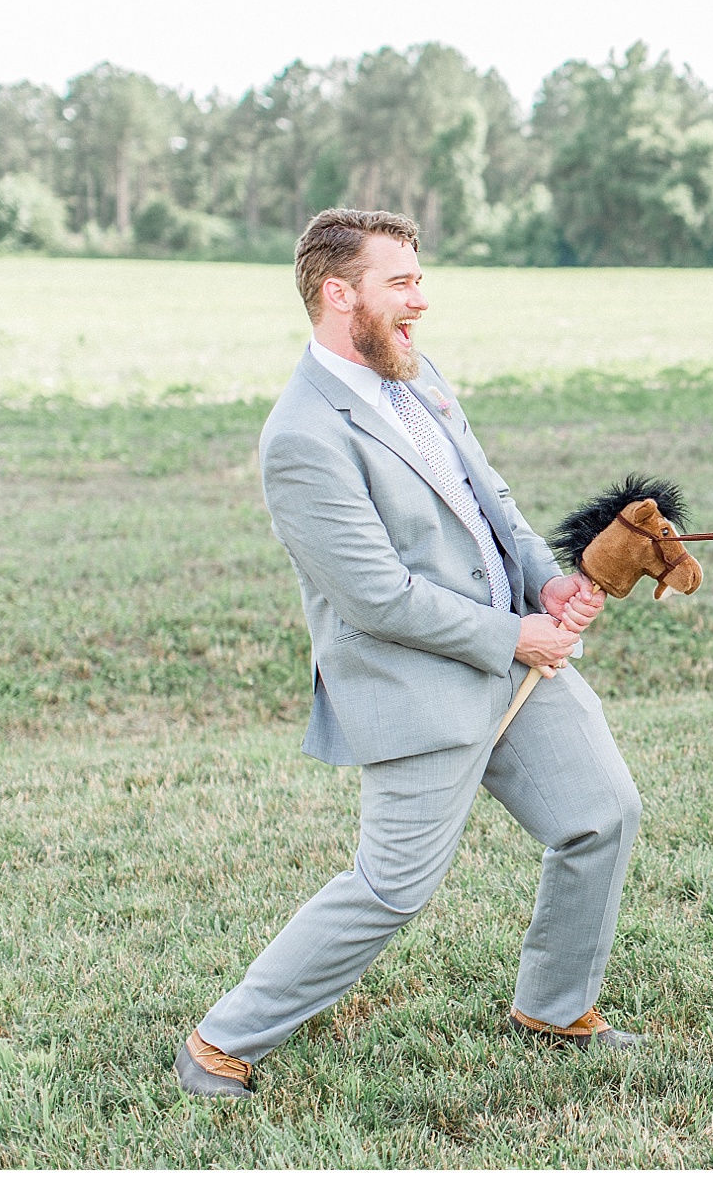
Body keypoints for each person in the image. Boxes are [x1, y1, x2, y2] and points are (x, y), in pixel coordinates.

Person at [176, 209, 645, 1101]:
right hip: (417, 679)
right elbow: (376, 596)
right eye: (401, 283)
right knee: (392, 887)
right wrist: (518, 632)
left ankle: (552, 1009)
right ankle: (218, 1042)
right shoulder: (302, 436)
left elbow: (490, 499)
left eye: (420, 280)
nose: (421, 301)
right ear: (337, 292)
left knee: (601, 813)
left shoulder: (417, 375)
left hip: (517, 651)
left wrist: (544, 583)